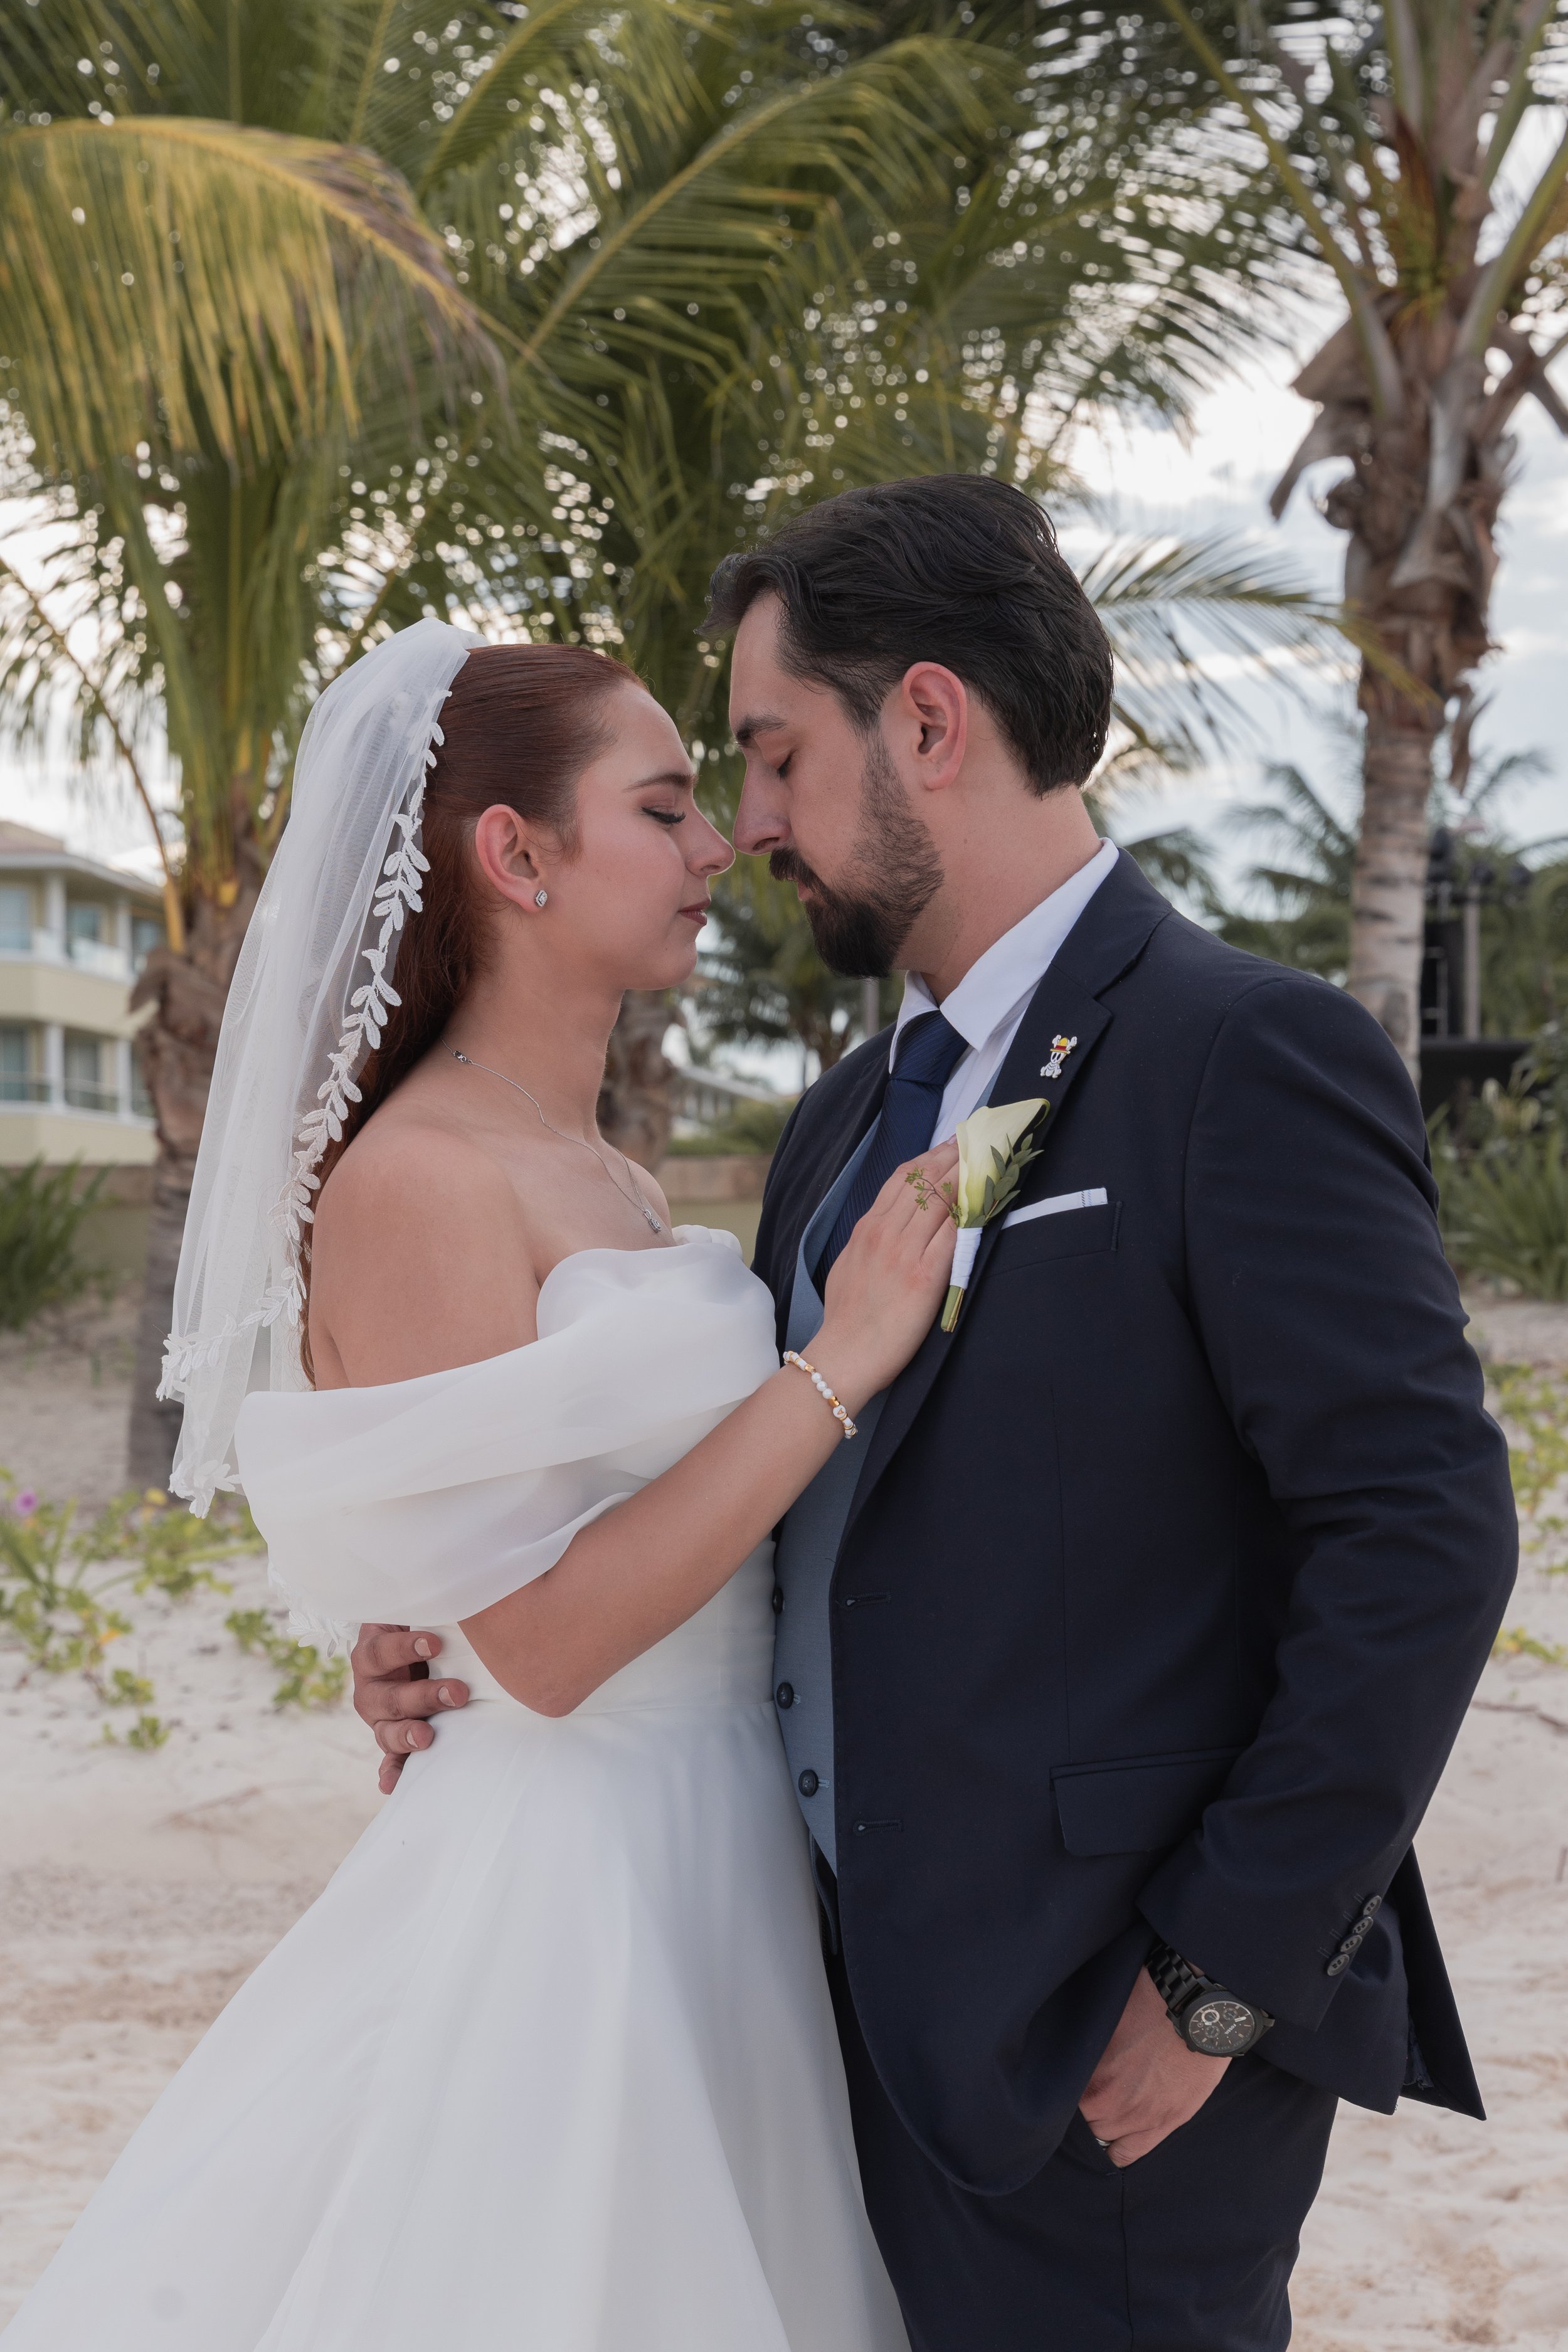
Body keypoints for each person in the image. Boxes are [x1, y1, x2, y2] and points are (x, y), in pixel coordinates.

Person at [358, 477, 1518, 2352]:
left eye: (768, 755)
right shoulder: (838, 1122)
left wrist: (1218, 1984)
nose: (746, 825)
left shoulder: (1239, 1053)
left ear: (924, 722)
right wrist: (461, 1646)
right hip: (821, 2029)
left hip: (1101, 2053)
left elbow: (1422, 1536)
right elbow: (792, 1501)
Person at [3, 622, 958, 2350]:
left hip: (723, 1838)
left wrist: (412, 1599)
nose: (714, 844)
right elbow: (534, 1644)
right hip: (578, 1870)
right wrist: (839, 1364)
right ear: (511, 853)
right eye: (660, 808)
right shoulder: (425, 1176)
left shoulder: (599, 1165)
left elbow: (524, 1522)